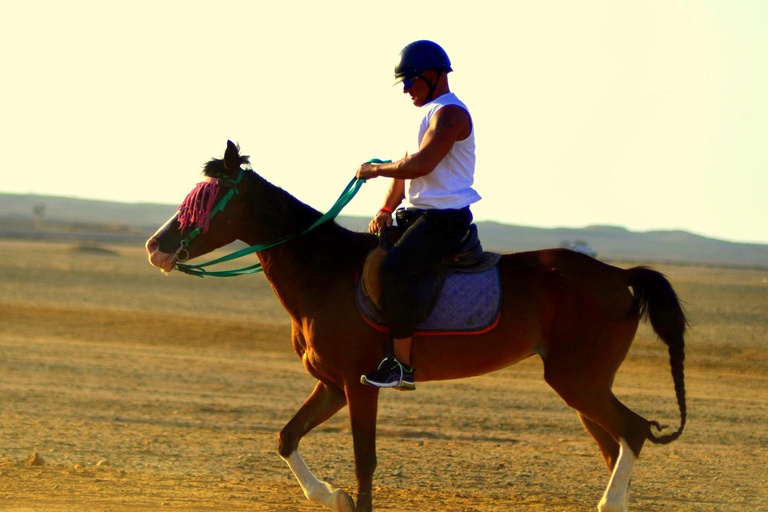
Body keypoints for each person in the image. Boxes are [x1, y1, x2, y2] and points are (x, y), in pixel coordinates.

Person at [356, 40, 481, 391]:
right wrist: (385, 208)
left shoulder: (451, 114)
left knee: (395, 270)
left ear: (431, 75)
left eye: (410, 81)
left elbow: (421, 164)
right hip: (416, 216)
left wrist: (377, 169)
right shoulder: (423, 116)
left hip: (444, 220)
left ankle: (402, 367)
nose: (407, 89)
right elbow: (407, 172)